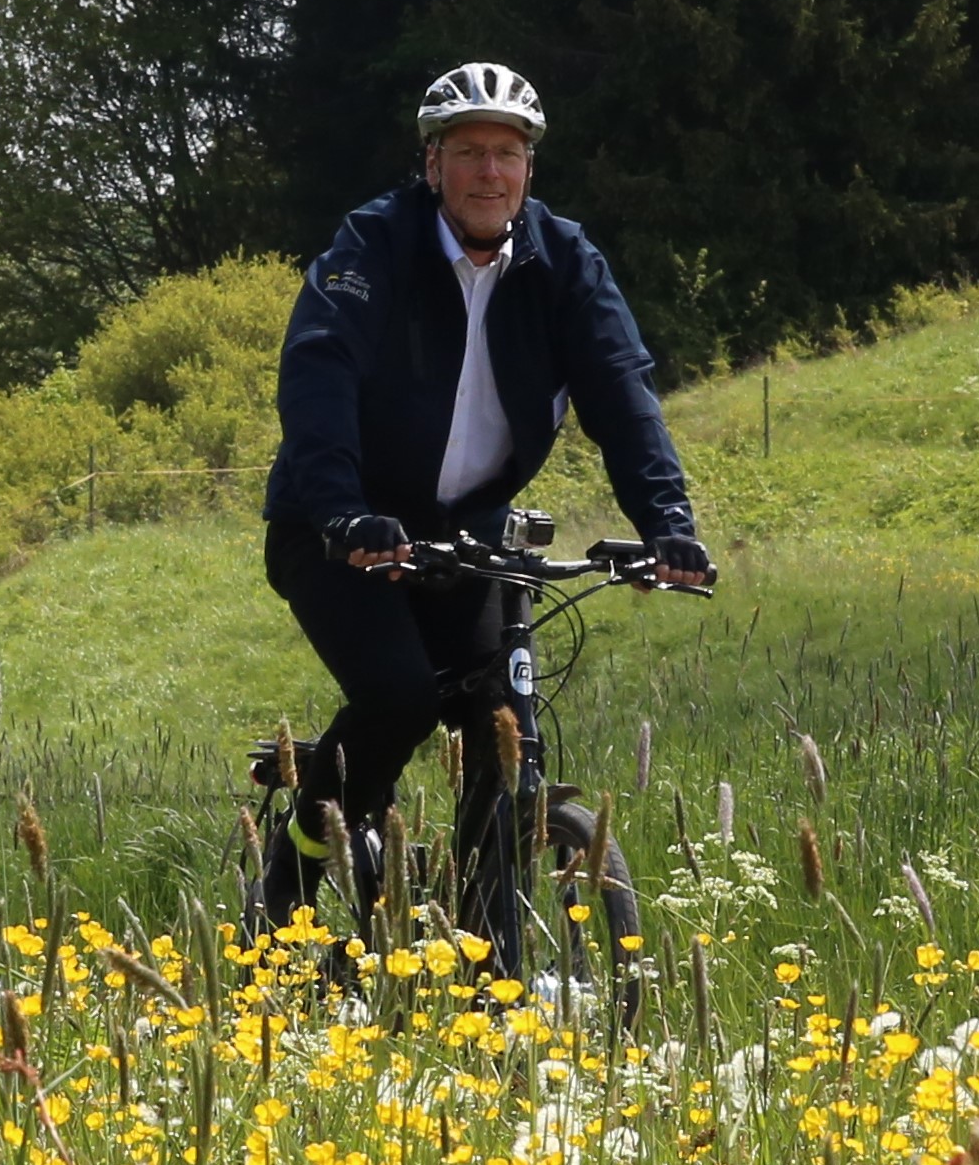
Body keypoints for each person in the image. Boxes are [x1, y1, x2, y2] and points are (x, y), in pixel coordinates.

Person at [257, 62, 710, 933]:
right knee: (398, 700)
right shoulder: (370, 246)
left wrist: (668, 526)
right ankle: (292, 882)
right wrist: (342, 510)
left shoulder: (565, 261)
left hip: (471, 533)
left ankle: (483, 966)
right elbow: (318, 378)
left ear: (528, 169)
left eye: (506, 153)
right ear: (433, 165)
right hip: (338, 528)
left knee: (501, 724)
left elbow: (622, 394)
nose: (488, 172)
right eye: (467, 151)